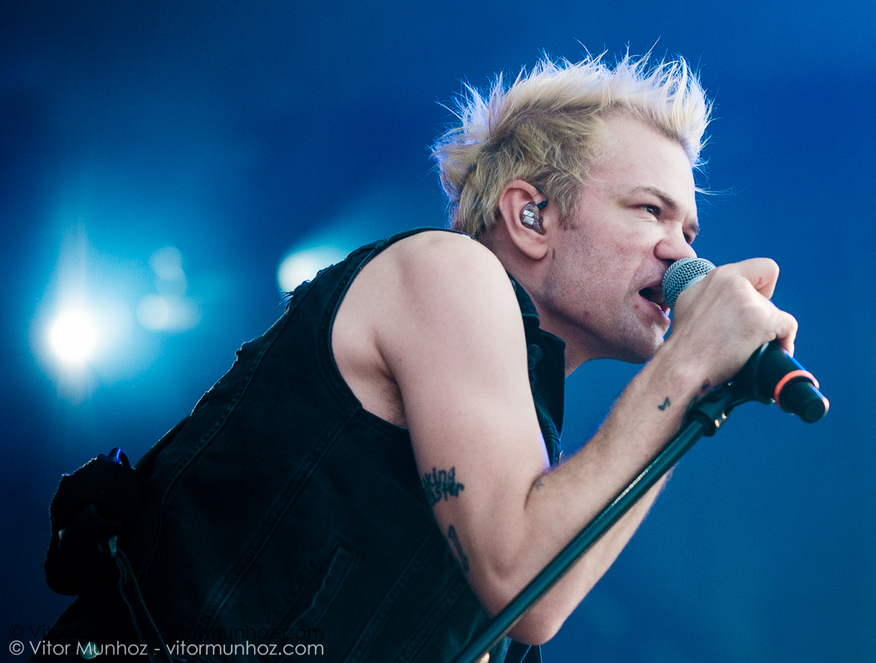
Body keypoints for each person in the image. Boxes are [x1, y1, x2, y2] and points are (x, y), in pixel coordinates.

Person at [35, 53, 797, 663]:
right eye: (649, 208)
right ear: (530, 215)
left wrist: (699, 382)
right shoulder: (447, 271)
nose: (680, 251)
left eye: (691, 231)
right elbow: (524, 586)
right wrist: (688, 364)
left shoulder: (535, 451)